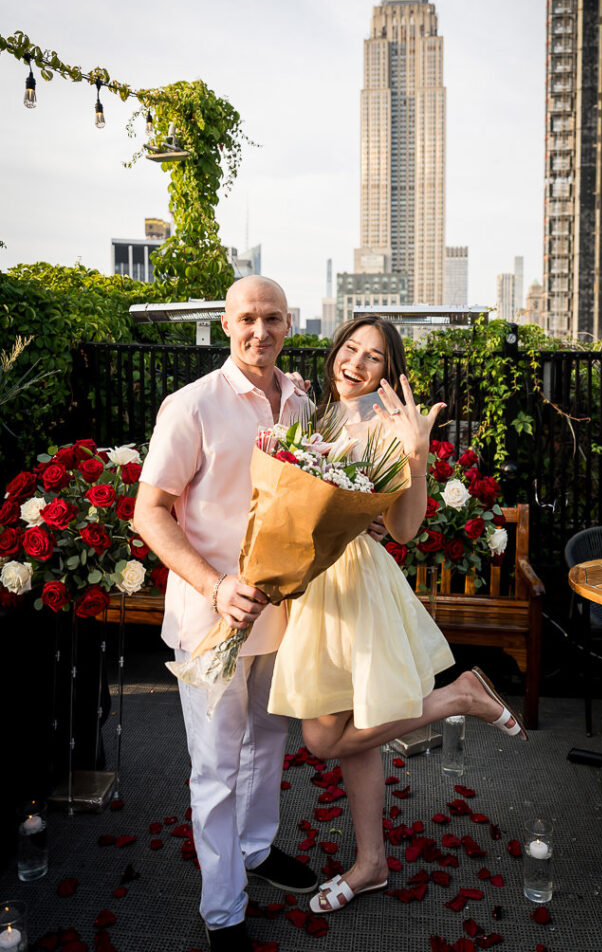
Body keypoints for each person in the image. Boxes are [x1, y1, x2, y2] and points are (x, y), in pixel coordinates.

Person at [267, 315, 527, 915]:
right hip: (315, 584)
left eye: (374, 358)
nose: (355, 364)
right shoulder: (319, 412)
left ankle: (458, 696)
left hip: (354, 586)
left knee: (322, 737)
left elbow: (406, 530)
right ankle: (371, 864)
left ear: (391, 370)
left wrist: (416, 452)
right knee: (353, 737)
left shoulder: (390, 424)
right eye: (350, 349)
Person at [133, 276, 317, 952]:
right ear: (224, 324)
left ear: (288, 324)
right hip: (210, 618)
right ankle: (223, 912)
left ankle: (258, 848)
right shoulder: (191, 406)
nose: (259, 331)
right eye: (247, 318)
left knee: (268, 738)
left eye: (271, 318)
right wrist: (214, 585)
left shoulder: (298, 400)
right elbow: (148, 511)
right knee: (213, 765)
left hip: (279, 613)